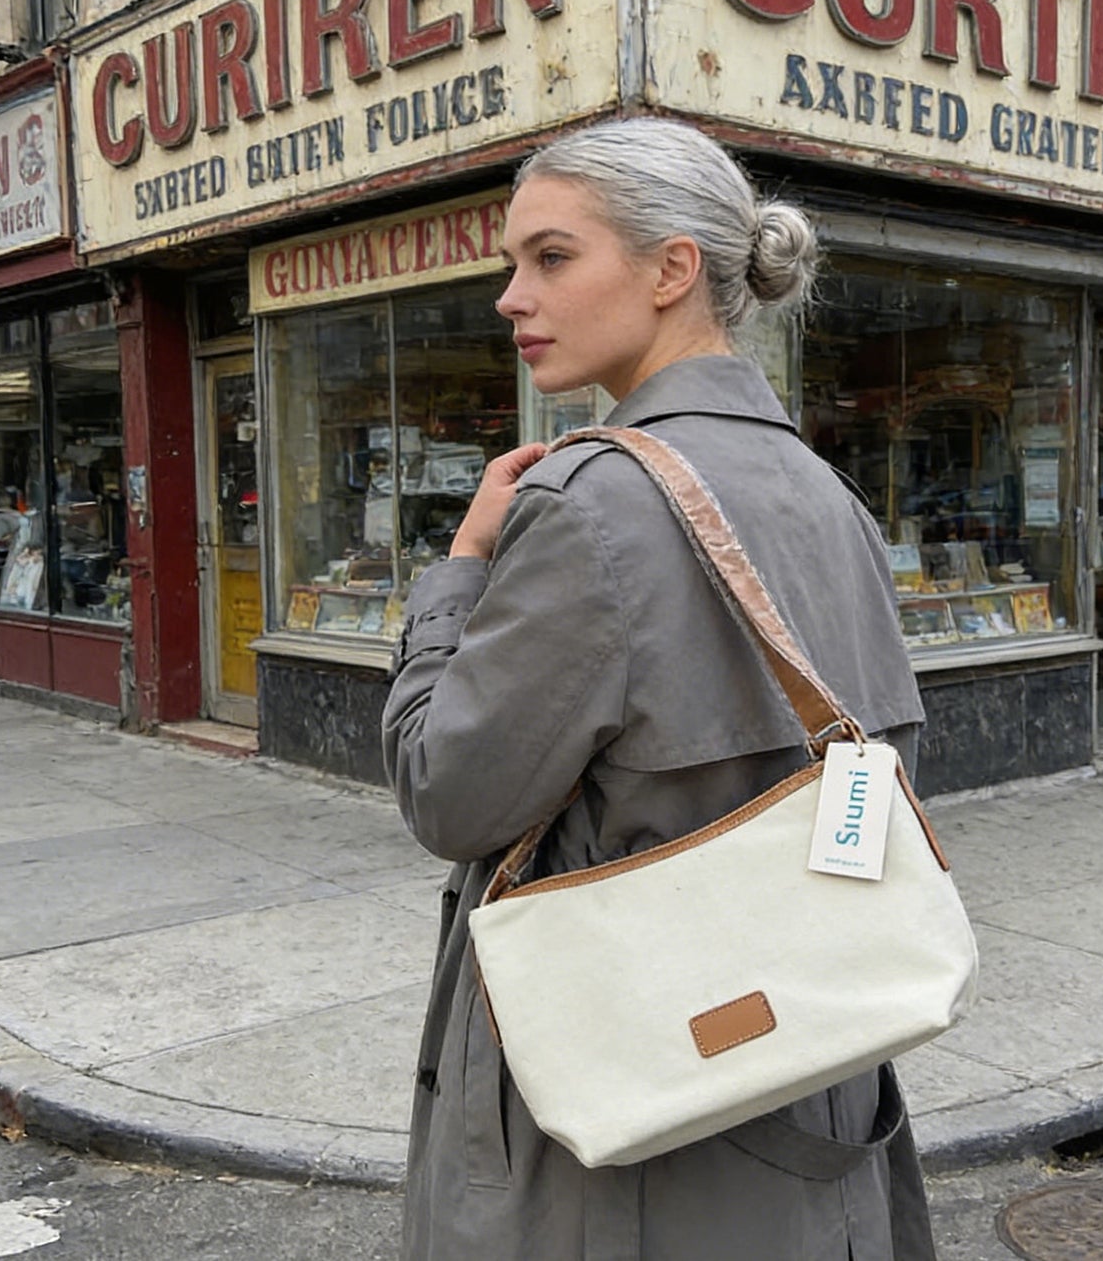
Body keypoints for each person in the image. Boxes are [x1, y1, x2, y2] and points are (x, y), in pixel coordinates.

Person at [382, 117, 934, 1260]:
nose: (509, 296)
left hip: (620, 1127)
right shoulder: (829, 495)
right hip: (803, 1076)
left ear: (671, 268)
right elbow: (876, 786)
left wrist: (458, 576)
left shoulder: (588, 502)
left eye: (549, 256)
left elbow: (447, 793)